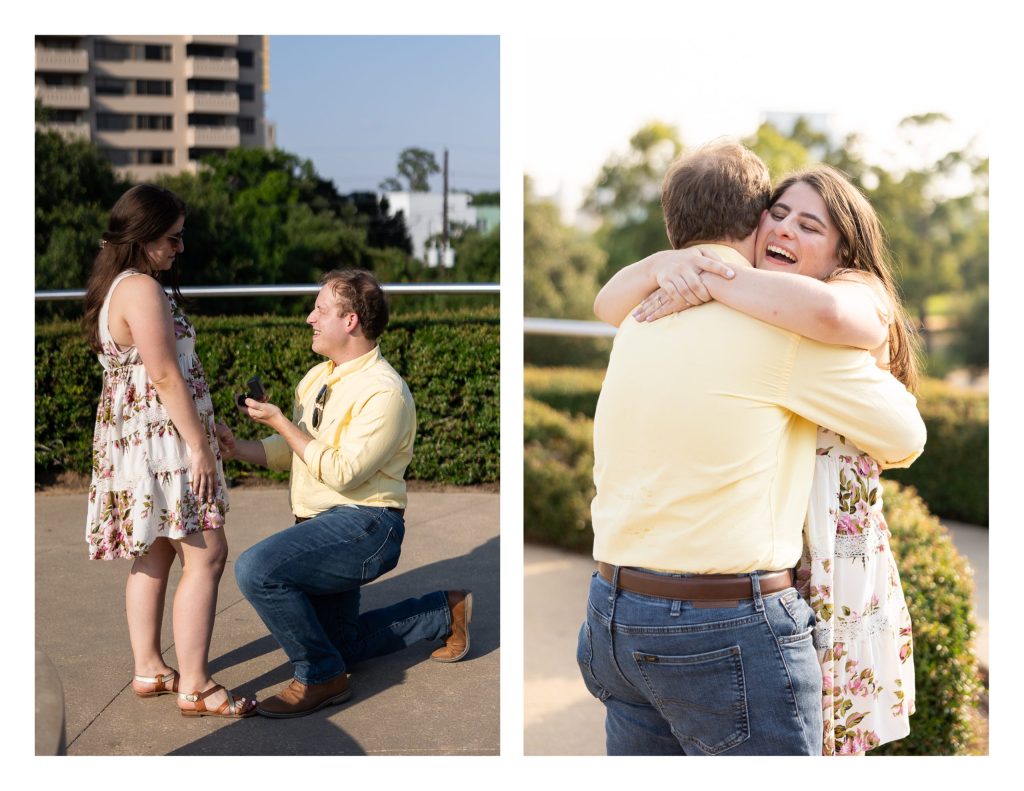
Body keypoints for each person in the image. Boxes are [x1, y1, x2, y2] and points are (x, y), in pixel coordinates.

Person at [581, 140, 926, 755]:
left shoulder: (643, 315)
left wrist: (704, 276)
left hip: (612, 615)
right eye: (780, 213)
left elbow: (607, 302)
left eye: (807, 222)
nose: (786, 228)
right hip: (722, 630)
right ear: (754, 218)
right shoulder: (783, 338)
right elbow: (906, 436)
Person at [222, 268, 472, 719]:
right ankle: (445, 611)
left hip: (366, 525)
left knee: (257, 569)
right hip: (322, 525)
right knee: (344, 645)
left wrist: (280, 421)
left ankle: (319, 676)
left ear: (351, 320)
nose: (309, 319)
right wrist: (237, 447)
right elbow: (297, 449)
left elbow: (342, 471)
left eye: (320, 309)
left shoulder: (385, 391)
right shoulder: (318, 376)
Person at [83, 184, 255, 718]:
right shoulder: (141, 289)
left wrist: (205, 423)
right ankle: (196, 685)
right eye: (172, 239)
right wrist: (199, 446)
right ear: (142, 237)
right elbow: (162, 373)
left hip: (141, 442)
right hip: (166, 445)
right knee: (207, 554)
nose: (179, 249)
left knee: (154, 552)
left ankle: (150, 668)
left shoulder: (119, 286)